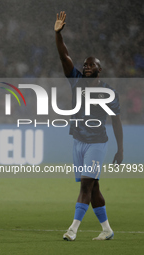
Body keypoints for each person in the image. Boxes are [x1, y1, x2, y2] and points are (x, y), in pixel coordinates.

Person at [54, 11, 124, 241]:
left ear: (99, 69)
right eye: (85, 64)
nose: (86, 67)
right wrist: (58, 35)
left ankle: (72, 229)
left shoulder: (107, 92)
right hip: (78, 142)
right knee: (94, 189)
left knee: (85, 186)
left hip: (96, 143)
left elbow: (116, 120)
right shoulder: (76, 81)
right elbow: (65, 57)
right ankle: (107, 230)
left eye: (91, 65)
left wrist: (120, 148)